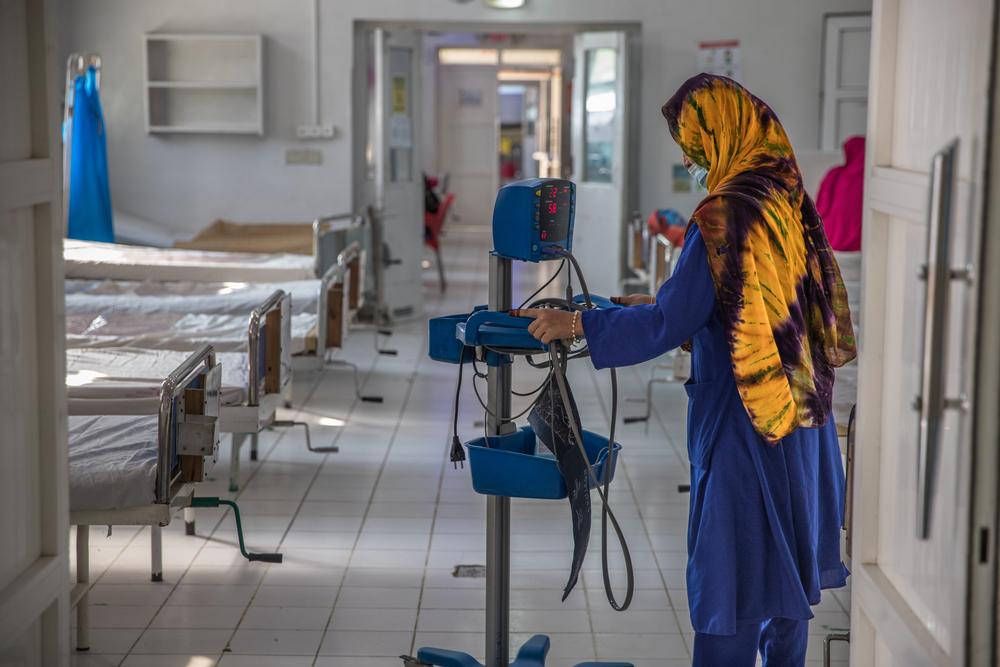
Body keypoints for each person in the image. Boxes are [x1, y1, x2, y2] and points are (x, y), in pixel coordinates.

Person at [513, 73, 857, 667]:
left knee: (734, 580)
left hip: (747, 423)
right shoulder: (784, 194)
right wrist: (660, 304)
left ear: (720, 132)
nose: (690, 160)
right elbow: (756, 306)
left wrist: (578, 326)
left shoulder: (724, 213)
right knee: (784, 590)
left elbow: (668, 326)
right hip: (801, 415)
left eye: (693, 145)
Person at [815, 135, 865, 251]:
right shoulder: (869, 183)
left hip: (829, 238)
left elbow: (821, 207)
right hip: (857, 244)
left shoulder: (836, 173)